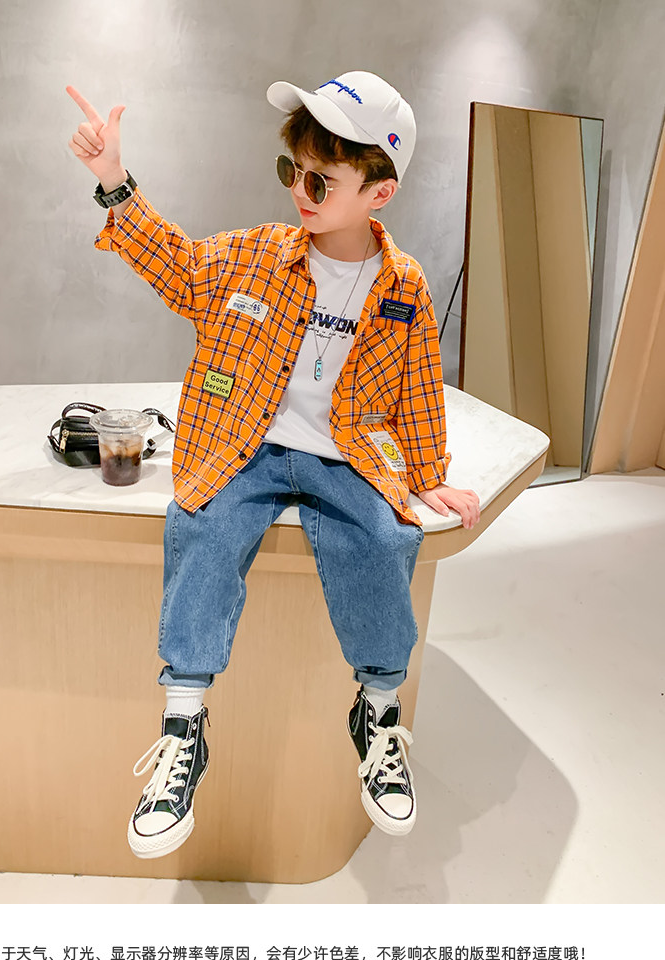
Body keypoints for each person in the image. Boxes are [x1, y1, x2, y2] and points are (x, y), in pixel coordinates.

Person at [66, 71, 480, 860]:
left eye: (321, 180)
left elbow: (421, 387)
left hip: (347, 454)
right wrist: (114, 181)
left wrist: (429, 476)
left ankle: (378, 711)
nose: (300, 190)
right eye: (293, 169)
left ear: (380, 193)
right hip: (242, 444)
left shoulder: (403, 287)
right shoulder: (256, 254)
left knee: (385, 540)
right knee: (203, 529)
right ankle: (182, 729)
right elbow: (178, 266)